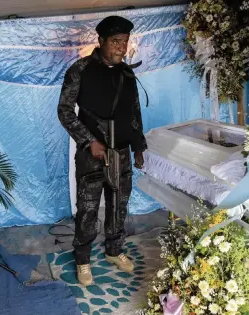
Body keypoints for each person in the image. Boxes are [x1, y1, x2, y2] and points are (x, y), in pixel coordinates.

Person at [57, 15, 147, 286]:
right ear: (101, 41)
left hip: (121, 152)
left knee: (119, 206)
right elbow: (64, 111)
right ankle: (83, 259)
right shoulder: (80, 69)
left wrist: (138, 147)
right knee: (88, 208)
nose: (121, 47)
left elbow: (134, 112)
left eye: (125, 42)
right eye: (116, 41)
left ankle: (114, 251)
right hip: (91, 155)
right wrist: (88, 141)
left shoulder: (127, 73)